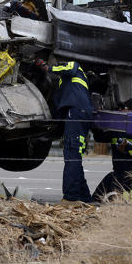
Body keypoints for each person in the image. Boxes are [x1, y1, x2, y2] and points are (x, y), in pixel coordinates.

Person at [49, 61, 94, 203]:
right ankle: (84, 197)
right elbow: (58, 108)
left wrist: (48, 67)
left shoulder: (74, 66)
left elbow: (68, 69)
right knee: (74, 155)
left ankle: (71, 197)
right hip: (79, 114)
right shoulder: (66, 86)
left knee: (71, 155)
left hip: (76, 112)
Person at [92, 134, 132, 202]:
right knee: (97, 198)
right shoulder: (114, 127)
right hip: (118, 172)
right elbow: (99, 137)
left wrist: (128, 148)